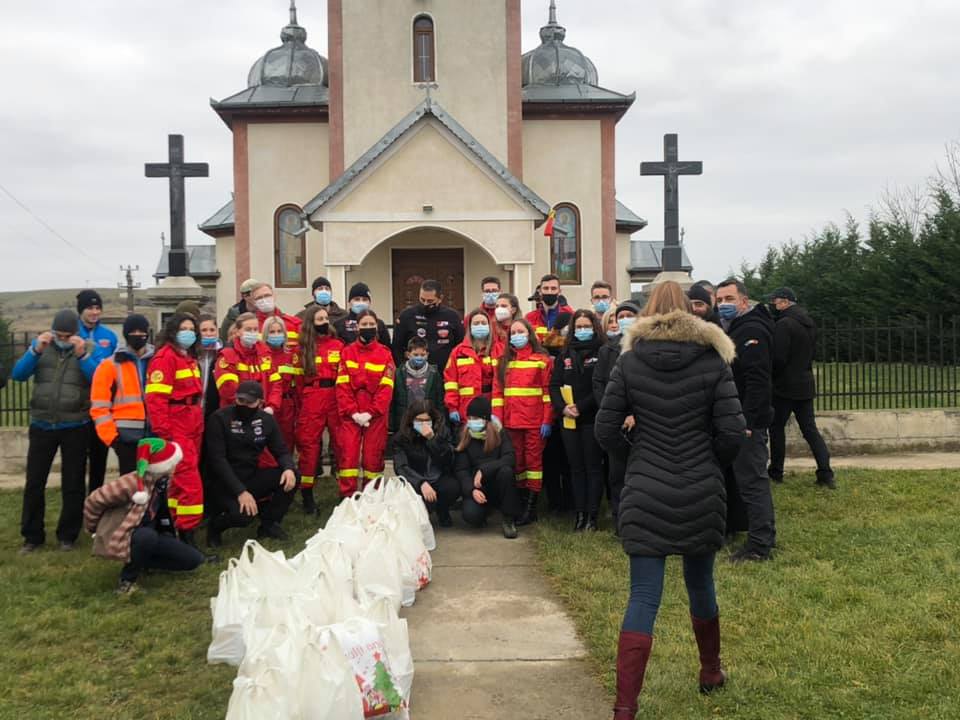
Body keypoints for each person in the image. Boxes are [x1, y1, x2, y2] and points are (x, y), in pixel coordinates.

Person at [594, 281, 746, 718]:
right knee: (701, 584)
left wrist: (637, 452)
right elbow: (733, 433)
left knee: (643, 595)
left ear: (646, 313)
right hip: (700, 486)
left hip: (645, 487)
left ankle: (625, 707)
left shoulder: (629, 361)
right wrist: (709, 461)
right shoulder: (714, 361)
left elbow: (605, 431)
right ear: (691, 313)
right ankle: (710, 671)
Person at [13, 309, 97, 553]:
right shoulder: (41, 348)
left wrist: (82, 356)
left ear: (76, 334)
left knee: (73, 482)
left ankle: (67, 535)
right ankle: (32, 536)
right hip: (42, 425)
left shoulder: (87, 348)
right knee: (34, 482)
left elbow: (97, 379)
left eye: (67, 335)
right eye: (58, 334)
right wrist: (35, 350)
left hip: (75, 425)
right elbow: (19, 375)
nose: (63, 338)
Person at [83, 438, 205, 594]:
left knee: (193, 560)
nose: (175, 467)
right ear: (162, 466)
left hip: (149, 533)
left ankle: (142, 561)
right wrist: (95, 528)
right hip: (126, 534)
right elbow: (94, 500)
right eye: (173, 463)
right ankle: (127, 581)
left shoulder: (162, 482)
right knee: (147, 537)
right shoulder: (130, 482)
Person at [716, 278, 777, 562]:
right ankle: (762, 536)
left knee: (753, 481)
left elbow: (757, 381)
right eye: (720, 300)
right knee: (747, 480)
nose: (723, 305)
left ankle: (759, 545)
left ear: (743, 300)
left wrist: (749, 423)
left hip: (749, 421)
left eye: (729, 299)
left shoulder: (751, 330)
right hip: (741, 417)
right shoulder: (737, 328)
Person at [205, 381, 298, 547]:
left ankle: (269, 524)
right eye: (241, 401)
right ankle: (215, 527)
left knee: (293, 476)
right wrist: (240, 491)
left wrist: (288, 468)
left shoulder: (266, 420)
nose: (244, 405)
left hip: (250, 476)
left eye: (250, 402)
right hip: (223, 483)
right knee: (244, 517)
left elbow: (281, 451)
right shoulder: (219, 418)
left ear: (260, 403)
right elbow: (217, 460)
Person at [144, 313, 206, 547]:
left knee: (180, 483)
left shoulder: (188, 358)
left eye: (192, 328)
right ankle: (189, 537)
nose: (189, 332)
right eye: (184, 328)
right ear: (172, 331)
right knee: (190, 483)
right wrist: (165, 434)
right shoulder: (165, 359)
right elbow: (156, 399)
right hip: (176, 427)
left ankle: (177, 530)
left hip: (192, 424)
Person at [767, 287, 835, 488]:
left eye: (776, 301)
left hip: (784, 386)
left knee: (777, 428)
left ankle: (776, 472)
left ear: (786, 302)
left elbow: (778, 357)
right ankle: (825, 473)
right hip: (805, 383)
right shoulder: (809, 323)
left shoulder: (784, 324)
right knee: (810, 430)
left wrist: (772, 375)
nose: (774, 305)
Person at [493, 319, 553, 525]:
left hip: (535, 422)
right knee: (517, 463)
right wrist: (497, 420)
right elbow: (498, 394)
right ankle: (519, 503)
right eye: (514, 332)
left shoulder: (542, 360)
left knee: (533, 464)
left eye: (521, 331)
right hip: (511, 422)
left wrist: (547, 420)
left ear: (529, 334)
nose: (517, 335)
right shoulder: (503, 362)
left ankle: (531, 508)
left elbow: (547, 393)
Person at [550, 309, 605, 532]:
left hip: (591, 417)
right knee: (576, 468)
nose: (582, 331)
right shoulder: (565, 355)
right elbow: (554, 385)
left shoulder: (602, 352)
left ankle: (592, 516)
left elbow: (600, 386)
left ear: (594, 328)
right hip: (569, 420)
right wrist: (563, 408)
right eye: (579, 327)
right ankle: (579, 514)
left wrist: (580, 407)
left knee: (592, 468)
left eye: (586, 327)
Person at [335, 310, 395, 495]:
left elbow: (386, 387)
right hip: (350, 414)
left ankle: (372, 496)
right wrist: (353, 413)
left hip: (375, 414)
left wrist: (371, 412)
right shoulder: (347, 352)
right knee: (349, 456)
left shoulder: (385, 354)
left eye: (371, 324)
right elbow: (342, 386)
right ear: (357, 327)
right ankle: (347, 497)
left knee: (373, 456)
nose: (367, 328)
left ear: (377, 327)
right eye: (364, 325)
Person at [592, 301, 640, 528]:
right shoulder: (607, 350)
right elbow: (599, 383)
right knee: (616, 473)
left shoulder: (644, 348)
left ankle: (639, 518)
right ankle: (620, 519)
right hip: (615, 421)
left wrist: (634, 414)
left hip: (640, 421)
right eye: (621, 316)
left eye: (629, 315)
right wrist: (612, 412)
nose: (623, 320)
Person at [89, 314, 155, 474]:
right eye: (134, 332)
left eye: (142, 332)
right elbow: (99, 408)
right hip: (126, 439)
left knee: (157, 489)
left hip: (156, 435)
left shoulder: (158, 361)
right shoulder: (109, 366)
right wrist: (112, 439)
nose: (138, 335)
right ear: (126, 334)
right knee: (131, 490)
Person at [296, 306, 344, 512]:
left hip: (334, 396)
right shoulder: (303, 348)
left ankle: (345, 492)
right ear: (310, 323)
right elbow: (298, 382)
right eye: (319, 319)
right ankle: (307, 492)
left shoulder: (338, 345)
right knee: (309, 446)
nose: (324, 322)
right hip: (312, 397)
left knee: (341, 444)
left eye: (326, 318)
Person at [454, 396, 519, 539]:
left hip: (497, 483)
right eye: (469, 417)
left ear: (485, 419)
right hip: (477, 487)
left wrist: (484, 470)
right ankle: (483, 512)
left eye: (475, 418)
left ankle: (508, 519)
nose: (471, 421)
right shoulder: (464, 436)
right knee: (471, 516)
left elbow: (510, 458)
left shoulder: (500, 433)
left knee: (506, 472)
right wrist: (471, 490)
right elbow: (461, 470)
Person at [75, 290, 117, 495]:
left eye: (97, 308)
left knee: (99, 459)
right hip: (78, 406)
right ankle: (78, 504)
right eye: (89, 308)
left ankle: (96, 500)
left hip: (101, 407)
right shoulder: (72, 334)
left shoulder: (108, 336)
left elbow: (108, 372)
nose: (94, 312)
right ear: (81, 310)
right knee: (77, 461)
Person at [392, 399, 458, 527]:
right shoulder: (401, 438)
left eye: (426, 420)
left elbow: (449, 459)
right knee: (423, 507)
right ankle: (424, 511)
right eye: (419, 420)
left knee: (453, 487)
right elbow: (401, 467)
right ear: (412, 420)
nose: (423, 424)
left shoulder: (442, 432)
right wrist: (420, 482)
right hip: (417, 481)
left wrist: (432, 440)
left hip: (438, 478)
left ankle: (442, 510)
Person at [444, 309, 502, 427]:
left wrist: (498, 412)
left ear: (489, 326)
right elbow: (451, 383)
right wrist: (452, 407)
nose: (480, 326)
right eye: (476, 323)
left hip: (491, 407)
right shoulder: (458, 352)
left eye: (483, 323)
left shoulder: (498, 350)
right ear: (469, 327)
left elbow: (501, 382)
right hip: (465, 409)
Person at [214, 313, 283, 411]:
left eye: (255, 329)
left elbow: (276, 384)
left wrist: (272, 406)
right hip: (236, 413)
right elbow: (227, 389)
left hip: (263, 411)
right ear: (237, 331)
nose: (252, 332)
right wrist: (250, 406)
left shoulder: (265, 354)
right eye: (248, 329)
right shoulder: (227, 356)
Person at [392, 279, 465, 371]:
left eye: (430, 301)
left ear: (440, 298)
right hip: (414, 374)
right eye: (422, 300)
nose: (425, 304)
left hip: (445, 373)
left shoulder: (452, 316)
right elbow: (396, 347)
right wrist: (402, 370)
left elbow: (460, 346)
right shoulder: (407, 315)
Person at [390, 337, 444, 433]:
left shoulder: (434, 373)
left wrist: (440, 423)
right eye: (415, 354)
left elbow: (439, 400)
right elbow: (393, 401)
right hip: (404, 421)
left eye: (422, 355)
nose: (419, 357)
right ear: (408, 354)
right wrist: (391, 425)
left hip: (426, 420)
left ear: (427, 355)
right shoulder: (399, 373)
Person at [262, 315, 299, 455]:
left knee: (286, 441)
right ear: (265, 334)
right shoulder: (262, 356)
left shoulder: (291, 355)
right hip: (267, 406)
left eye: (279, 332)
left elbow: (296, 383)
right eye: (272, 332)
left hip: (287, 405)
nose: (276, 335)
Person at [525, 274, 574, 354]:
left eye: (553, 288)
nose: (549, 292)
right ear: (540, 291)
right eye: (546, 288)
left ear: (559, 292)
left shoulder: (570, 316)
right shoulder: (530, 318)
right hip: (538, 360)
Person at [249, 282, 302, 348]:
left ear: (274, 296)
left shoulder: (295, 323)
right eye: (259, 298)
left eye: (267, 295)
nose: (264, 300)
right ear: (254, 302)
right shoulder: (249, 327)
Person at [220, 278, 261, 344]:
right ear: (245, 296)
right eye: (255, 293)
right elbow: (224, 338)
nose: (259, 297)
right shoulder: (233, 314)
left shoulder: (267, 311)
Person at [197, 314, 222, 419]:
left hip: (214, 410)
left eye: (212, 330)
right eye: (204, 330)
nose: (208, 334)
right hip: (193, 410)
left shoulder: (222, 354)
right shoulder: (192, 355)